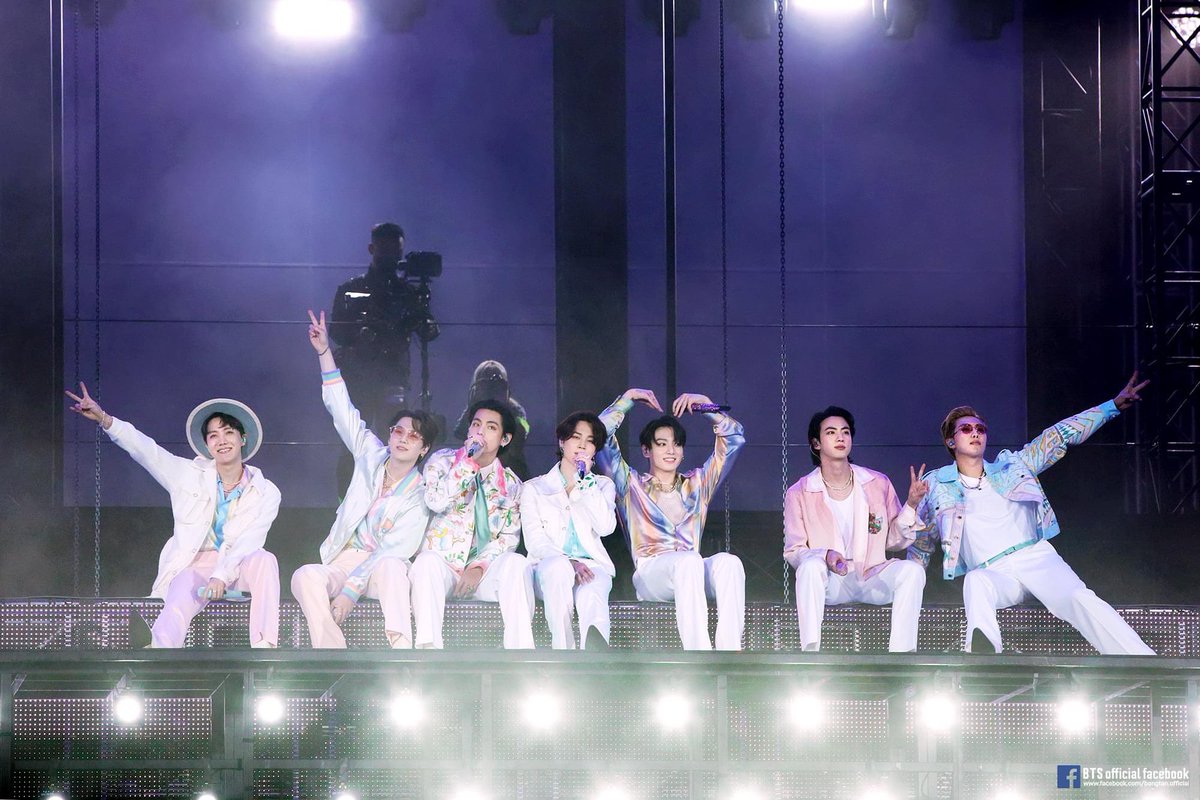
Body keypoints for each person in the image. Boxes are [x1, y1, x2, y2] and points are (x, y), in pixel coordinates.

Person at [902, 372, 1155, 655]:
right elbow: (921, 544)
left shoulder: (1013, 466)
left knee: (1079, 599)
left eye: (980, 429)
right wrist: (909, 588)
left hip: (1034, 556)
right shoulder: (936, 485)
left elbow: (1058, 436)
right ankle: (984, 656)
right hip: (991, 570)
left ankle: (1142, 660)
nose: (975, 433)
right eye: (966, 429)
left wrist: (1112, 406)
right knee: (976, 582)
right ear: (951, 442)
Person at [65, 384, 280, 648]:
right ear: (207, 445)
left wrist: (222, 575)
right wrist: (105, 419)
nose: (222, 441)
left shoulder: (266, 490)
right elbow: (148, 452)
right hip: (195, 563)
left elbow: (250, 540)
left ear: (242, 438)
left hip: (237, 563)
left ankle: (264, 645)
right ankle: (158, 647)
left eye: (228, 432)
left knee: (265, 559)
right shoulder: (187, 474)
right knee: (183, 583)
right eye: (213, 436)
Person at [291, 310, 440, 649]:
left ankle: (402, 654)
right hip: (345, 558)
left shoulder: (422, 494)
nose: (402, 439)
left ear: (424, 448)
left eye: (413, 436)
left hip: (380, 569)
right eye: (398, 431)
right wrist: (324, 353)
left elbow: (394, 550)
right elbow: (342, 411)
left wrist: (349, 592)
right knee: (304, 576)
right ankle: (332, 653)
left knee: (391, 566)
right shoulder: (371, 455)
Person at [596, 388, 746, 650]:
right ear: (646, 450)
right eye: (661, 443)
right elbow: (599, 434)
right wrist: (627, 399)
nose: (671, 450)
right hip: (651, 573)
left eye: (676, 444)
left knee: (729, 563)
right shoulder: (630, 484)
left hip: (690, 572)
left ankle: (730, 651)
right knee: (689, 561)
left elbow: (734, 439)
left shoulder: (697, 484)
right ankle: (699, 654)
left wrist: (706, 406)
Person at [783, 406, 926, 652]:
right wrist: (824, 555)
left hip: (871, 574)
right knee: (809, 567)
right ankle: (810, 653)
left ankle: (902, 655)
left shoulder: (877, 483)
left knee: (912, 571)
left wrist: (911, 505)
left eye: (845, 432)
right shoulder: (799, 492)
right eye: (831, 432)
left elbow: (894, 541)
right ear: (816, 443)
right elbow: (794, 551)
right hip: (831, 581)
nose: (840, 437)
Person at [410, 399, 534, 649]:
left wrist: (478, 568)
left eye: (490, 427)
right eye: (476, 424)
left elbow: (508, 538)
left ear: (504, 439)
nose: (480, 432)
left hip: (483, 574)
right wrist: (467, 463)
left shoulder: (511, 485)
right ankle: (428, 654)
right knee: (425, 563)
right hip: (443, 568)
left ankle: (519, 654)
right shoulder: (442, 462)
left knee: (517, 563)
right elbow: (435, 501)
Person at [330, 222, 438, 436]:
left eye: (396, 251)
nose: (391, 257)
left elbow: (430, 332)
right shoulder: (351, 289)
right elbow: (336, 331)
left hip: (393, 377)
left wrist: (420, 311)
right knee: (353, 440)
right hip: (358, 377)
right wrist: (359, 334)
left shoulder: (406, 292)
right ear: (372, 249)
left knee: (392, 439)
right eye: (385, 250)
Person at [520, 411, 617, 649]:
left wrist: (586, 483)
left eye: (590, 441)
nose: (582, 445)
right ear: (562, 442)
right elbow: (535, 541)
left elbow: (606, 527)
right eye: (576, 437)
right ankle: (564, 652)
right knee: (558, 569)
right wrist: (569, 562)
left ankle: (595, 655)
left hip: (591, 566)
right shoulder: (534, 488)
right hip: (547, 566)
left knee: (593, 593)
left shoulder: (602, 486)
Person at [451, 360, 531, 480]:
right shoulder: (471, 414)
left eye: (497, 388)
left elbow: (521, 433)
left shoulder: (516, 414)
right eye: (486, 387)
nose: (491, 393)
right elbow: (458, 435)